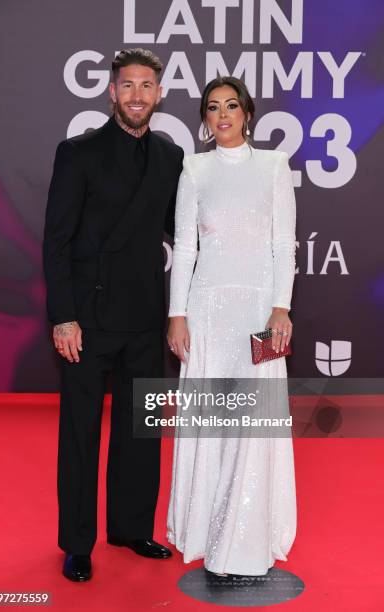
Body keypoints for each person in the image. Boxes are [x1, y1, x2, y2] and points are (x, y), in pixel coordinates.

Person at [42, 48, 184, 582]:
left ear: (160, 94)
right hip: (87, 319)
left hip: (146, 316)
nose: (138, 96)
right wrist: (63, 315)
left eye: (147, 86)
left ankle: (130, 527)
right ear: (111, 91)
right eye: (128, 86)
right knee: (80, 433)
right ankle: (77, 543)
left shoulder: (170, 157)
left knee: (141, 430)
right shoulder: (77, 152)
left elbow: (184, 231)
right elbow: (56, 242)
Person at [166, 76, 297, 577]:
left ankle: (245, 536)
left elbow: (283, 246)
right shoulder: (194, 169)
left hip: (261, 313)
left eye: (232, 106)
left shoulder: (273, 166)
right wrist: (177, 315)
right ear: (205, 118)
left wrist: (280, 308)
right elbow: (185, 247)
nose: (223, 115)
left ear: (247, 114)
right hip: (205, 313)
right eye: (213, 107)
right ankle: (202, 530)